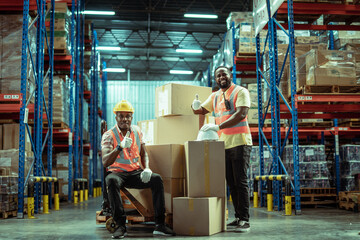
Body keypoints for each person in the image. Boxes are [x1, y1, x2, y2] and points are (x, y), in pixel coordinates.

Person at [101, 100, 175, 239]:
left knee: (156, 179)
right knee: (110, 180)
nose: (125, 119)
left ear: (132, 117)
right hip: (117, 173)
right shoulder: (109, 135)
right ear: (116, 117)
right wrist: (119, 147)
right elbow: (105, 162)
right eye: (121, 116)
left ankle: (160, 225)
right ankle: (120, 226)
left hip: (135, 173)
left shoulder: (137, 131)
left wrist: (147, 168)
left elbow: (144, 153)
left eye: (128, 116)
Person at [191, 66, 252, 232]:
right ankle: (238, 217)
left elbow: (241, 114)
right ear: (216, 79)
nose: (221, 77)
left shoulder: (240, 91)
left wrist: (218, 126)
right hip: (223, 144)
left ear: (230, 75)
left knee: (240, 181)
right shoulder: (215, 95)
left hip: (240, 142)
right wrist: (194, 105)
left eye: (224, 74)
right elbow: (200, 110)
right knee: (231, 183)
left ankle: (245, 220)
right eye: (218, 75)